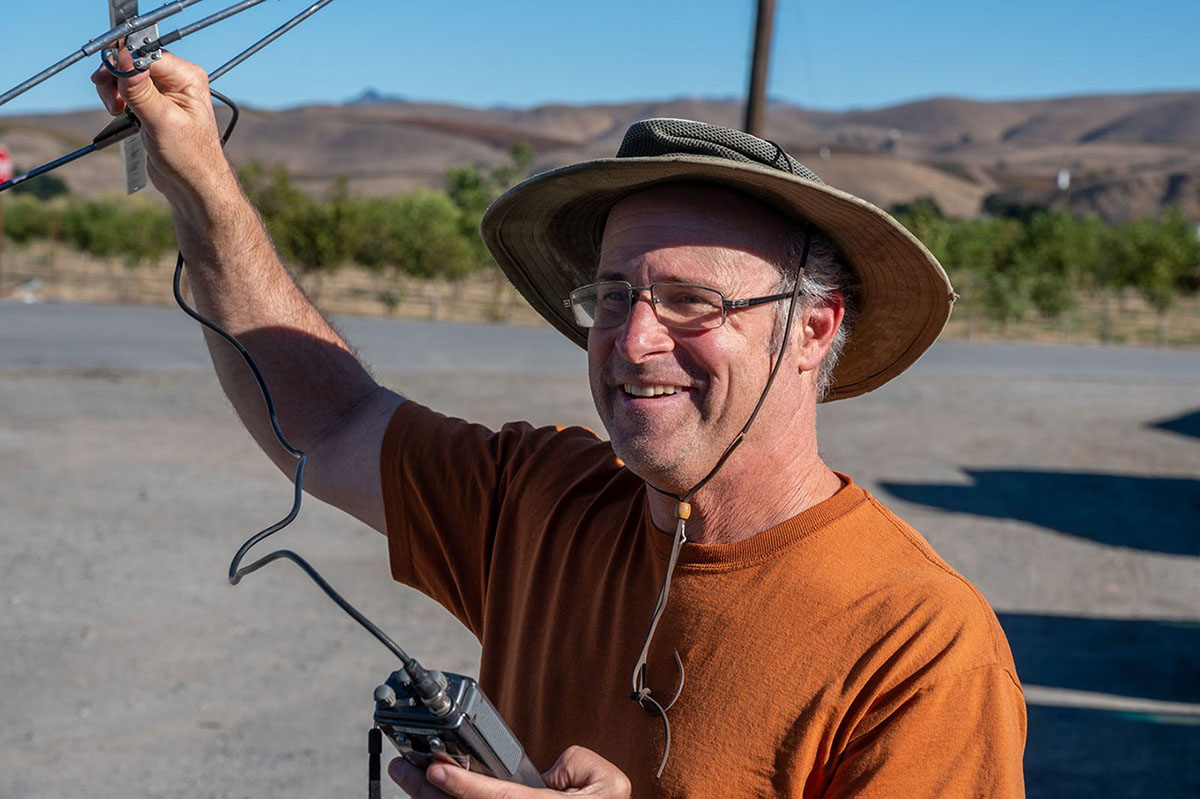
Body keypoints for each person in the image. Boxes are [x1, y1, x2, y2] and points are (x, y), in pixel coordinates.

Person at [93, 54, 1026, 798]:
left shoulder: (918, 644)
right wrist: (202, 184)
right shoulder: (543, 499)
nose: (633, 338)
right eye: (613, 293)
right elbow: (329, 417)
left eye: (691, 301)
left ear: (812, 328)